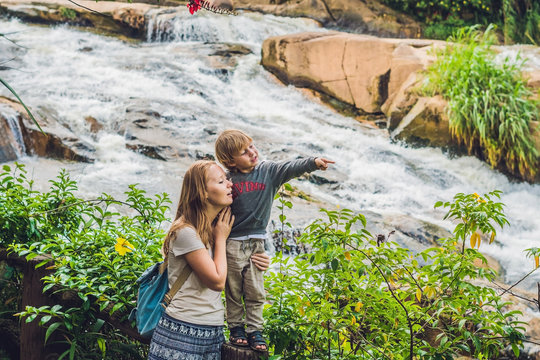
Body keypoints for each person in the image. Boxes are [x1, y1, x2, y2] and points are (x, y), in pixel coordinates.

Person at [214, 129, 334, 352]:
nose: (252, 152)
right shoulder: (227, 180)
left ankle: (255, 330)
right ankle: (236, 328)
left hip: (257, 244)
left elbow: (289, 167)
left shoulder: (268, 171)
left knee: (255, 290)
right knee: (233, 289)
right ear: (230, 160)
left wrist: (313, 162)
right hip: (232, 242)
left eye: (251, 146)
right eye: (244, 151)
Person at [148, 160, 270, 360]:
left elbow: (234, 266)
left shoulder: (217, 227)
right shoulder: (185, 231)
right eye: (222, 182)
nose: (231, 184)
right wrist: (221, 238)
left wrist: (260, 261)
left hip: (213, 331)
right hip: (181, 330)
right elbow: (216, 281)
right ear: (202, 193)